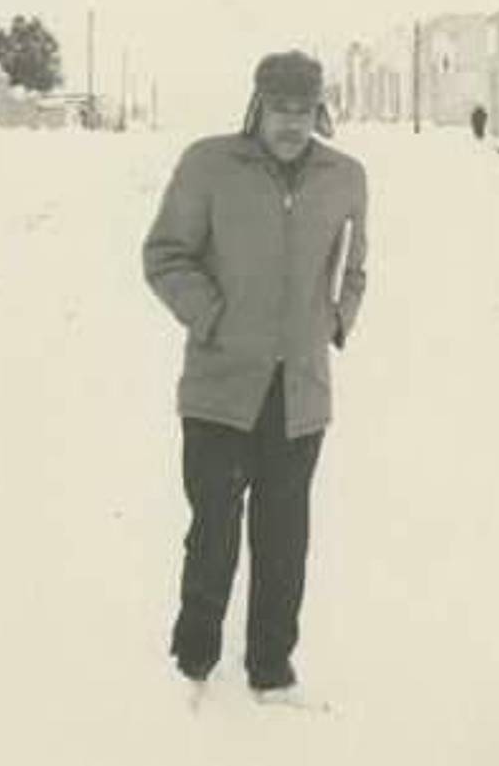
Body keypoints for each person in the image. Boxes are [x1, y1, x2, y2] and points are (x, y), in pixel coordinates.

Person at [142, 50, 368, 704]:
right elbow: (164, 255)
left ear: (318, 108)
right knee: (213, 529)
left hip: (299, 393)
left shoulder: (345, 177)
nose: (292, 124)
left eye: (303, 110)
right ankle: (193, 665)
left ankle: (271, 671)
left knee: (284, 537)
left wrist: (335, 320)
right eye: (280, 109)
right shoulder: (209, 165)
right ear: (257, 107)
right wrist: (211, 317)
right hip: (220, 385)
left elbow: (355, 267)